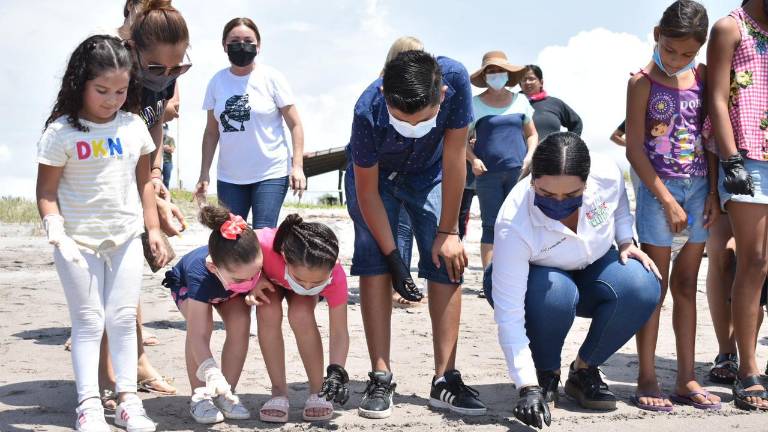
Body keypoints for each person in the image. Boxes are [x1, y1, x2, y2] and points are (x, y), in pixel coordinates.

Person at [36, 34, 168, 432]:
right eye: (102, 90)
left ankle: (128, 400)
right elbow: (46, 191)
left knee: (123, 317)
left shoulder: (132, 128)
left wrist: (153, 229)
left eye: (121, 90)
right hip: (76, 241)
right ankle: (89, 404)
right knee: (89, 321)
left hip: (125, 235)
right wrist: (54, 228)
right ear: (81, 84)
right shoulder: (61, 132)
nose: (112, 99)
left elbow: (144, 182)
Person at [485, 132, 661, 428]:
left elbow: (618, 204)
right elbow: (510, 316)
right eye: (546, 194)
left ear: (587, 181)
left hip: (591, 267)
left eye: (570, 196)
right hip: (539, 282)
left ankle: (584, 369)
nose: (558, 203)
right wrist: (525, 386)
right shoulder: (513, 221)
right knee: (556, 293)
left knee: (642, 283)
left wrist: (626, 240)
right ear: (532, 181)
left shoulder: (606, 173)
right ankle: (545, 373)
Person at [345, 50, 486, 419]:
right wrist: (395, 260)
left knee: (447, 256)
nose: (411, 127)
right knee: (374, 260)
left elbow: (455, 158)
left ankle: (445, 379)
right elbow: (368, 192)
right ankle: (380, 375)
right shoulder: (367, 110)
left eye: (421, 121)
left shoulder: (455, 79)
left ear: (440, 94)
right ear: (384, 94)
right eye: (401, 120)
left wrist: (449, 231)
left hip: (431, 174)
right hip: (378, 182)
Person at [627, 0, 721, 411]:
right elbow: (633, 149)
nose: (677, 59)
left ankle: (686, 378)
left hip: (700, 190)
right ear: (656, 36)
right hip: (656, 192)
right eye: (670, 50)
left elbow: (711, 139)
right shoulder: (641, 82)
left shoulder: (702, 78)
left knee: (686, 286)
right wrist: (665, 198)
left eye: (687, 53)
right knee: (655, 288)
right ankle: (647, 375)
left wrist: (714, 194)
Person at [708, 0, 768, 410]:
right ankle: (747, 368)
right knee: (754, 260)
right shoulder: (731, 27)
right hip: (748, 157)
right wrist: (730, 160)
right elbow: (716, 98)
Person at [195, 17, 306, 227]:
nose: (242, 45)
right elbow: (211, 132)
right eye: (235, 41)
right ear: (224, 46)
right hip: (230, 177)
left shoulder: (272, 78)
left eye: (248, 40)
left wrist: (297, 166)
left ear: (259, 45)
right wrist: (204, 173)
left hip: (270, 172)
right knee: (231, 235)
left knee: (263, 234)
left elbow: (295, 124)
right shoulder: (216, 82)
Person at [245, 214, 350, 423]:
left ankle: (317, 391)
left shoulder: (336, 277)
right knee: (268, 311)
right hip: (270, 281)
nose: (307, 287)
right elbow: (232, 245)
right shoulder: (262, 243)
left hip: (294, 291)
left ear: (334, 265)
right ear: (283, 256)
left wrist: (337, 371)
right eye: (301, 280)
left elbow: (339, 332)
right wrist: (255, 277)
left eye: (316, 282)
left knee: (301, 315)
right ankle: (278, 392)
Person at [161, 206, 261, 424]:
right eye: (241, 279)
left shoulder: (247, 258)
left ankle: (226, 393)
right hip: (188, 286)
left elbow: (246, 276)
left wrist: (248, 284)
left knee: (241, 323)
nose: (249, 281)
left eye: (255, 274)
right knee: (202, 326)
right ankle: (200, 396)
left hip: (227, 290)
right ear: (215, 267)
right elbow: (196, 333)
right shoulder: (201, 274)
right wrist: (210, 370)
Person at [466, 50, 537, 269]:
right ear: (484, 76)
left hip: (518, 172)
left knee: (520, 223)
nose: (496, 74)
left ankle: (518, 270)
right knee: (491, 225)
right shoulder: (474, 104)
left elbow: (532, 134)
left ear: (507, 73)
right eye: (491, 71)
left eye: (500, 71)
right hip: (488, 175)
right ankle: (489, 276)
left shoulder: (521, 101)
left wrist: (529, 157)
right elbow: (459, 141)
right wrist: (473, 160)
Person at [381, 36, 428, 308]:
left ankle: (403, 283)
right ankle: (397, 285)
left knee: (405, 228)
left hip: (413, 170)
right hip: (388, 171)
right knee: (395, 228)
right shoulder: (382, 90)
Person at [520, 64, 583, 141]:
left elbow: (576, 123)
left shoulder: (555, 103)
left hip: (551, 152)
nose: (527, 82)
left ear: (541, 82)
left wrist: (568, 146)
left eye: (531, 79)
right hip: (521, 153)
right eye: (524, 79)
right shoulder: (513, 103)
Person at [609, 120, 642, 198]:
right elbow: (614, 136)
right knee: (639, 196)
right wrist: (633, 145)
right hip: (638, 165)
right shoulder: (633, 116)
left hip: (661, 165)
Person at [161, 123, 175, 189]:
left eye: (165, 129)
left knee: (166, 181)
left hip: (167, 163)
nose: (164, 130)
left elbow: (172, 149)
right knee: (156, 179)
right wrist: (165, 147)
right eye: (163, 129)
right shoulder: (156, 138)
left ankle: (166, 196)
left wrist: (162, 147)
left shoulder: (170, 139)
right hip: (158, 163)